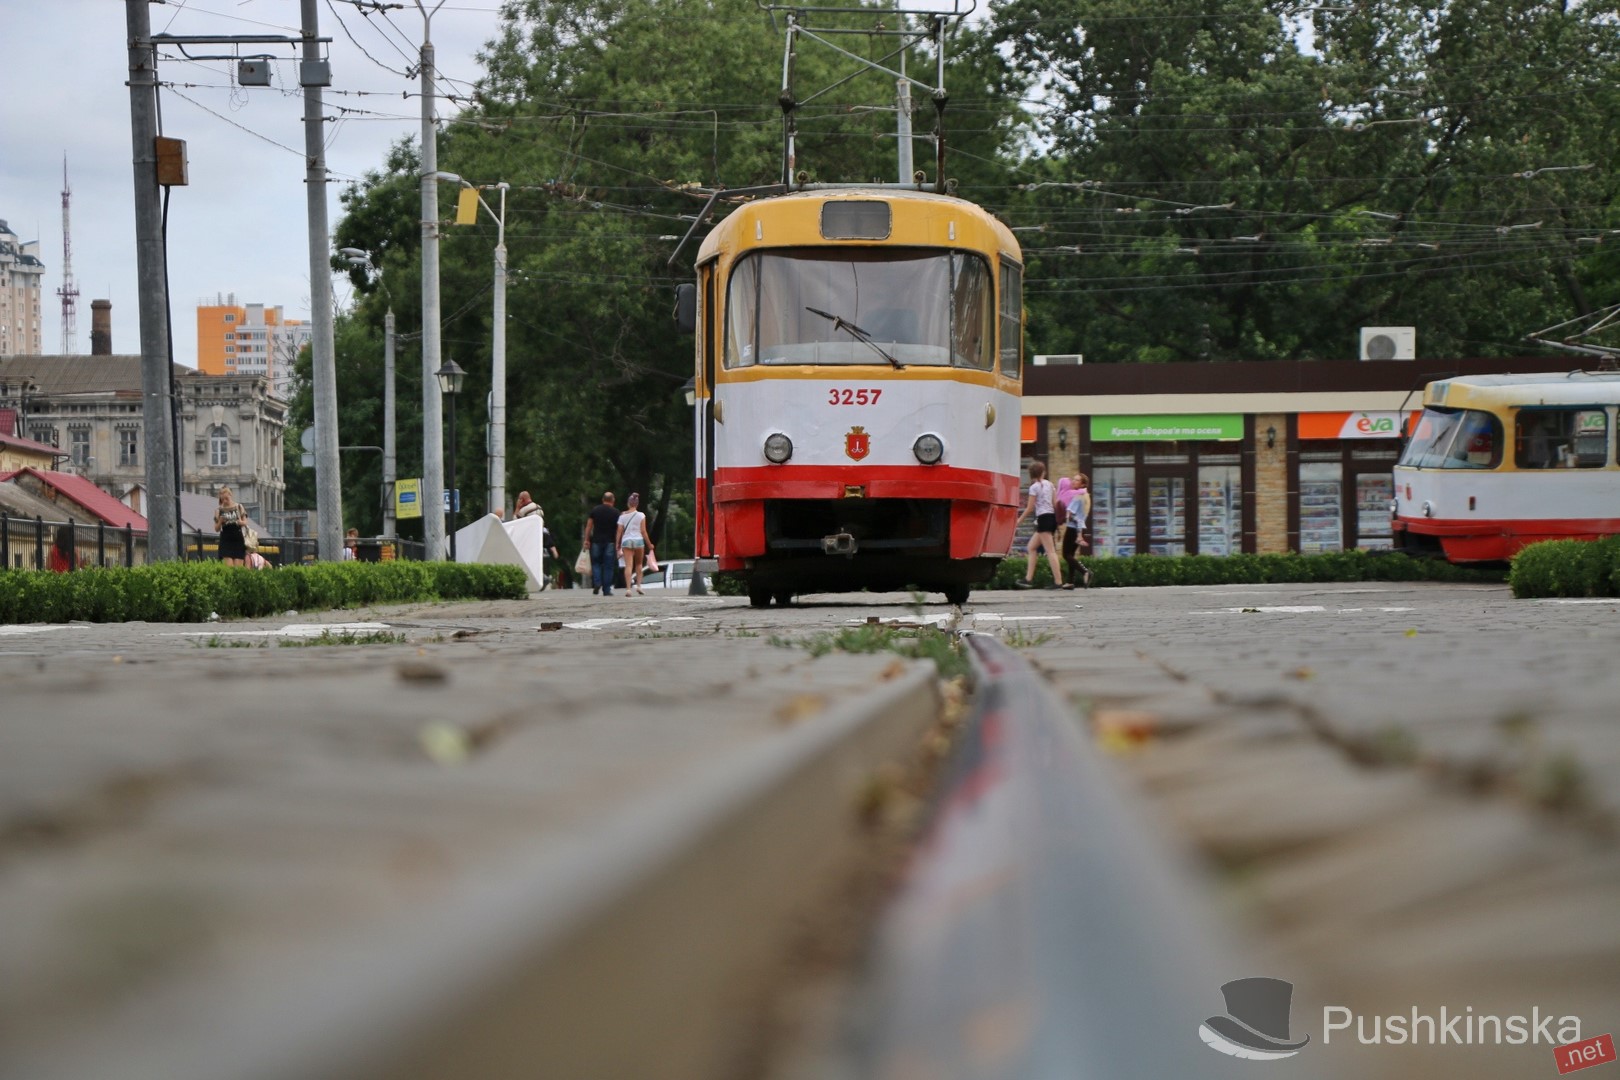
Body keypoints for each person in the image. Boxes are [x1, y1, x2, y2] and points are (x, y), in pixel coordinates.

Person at [1012, 461, 1063, 588]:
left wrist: (1019, 520)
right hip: (1050, 518)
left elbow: (1029, 508)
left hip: (1043, 519)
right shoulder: (1050, 485)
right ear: (1043, 472)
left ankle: (1058, 582)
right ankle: (1028, 579)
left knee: (1050, 551)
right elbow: (1055, 503)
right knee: (1031, 547)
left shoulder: (1034, 487)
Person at [616, 492, 653, 596]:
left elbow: (619, 531)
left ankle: (628, 588)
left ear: (628, 503)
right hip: (638, 541)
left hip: (626, 541)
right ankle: (639, 586)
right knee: (639, 564)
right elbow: (643, 531)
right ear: (637, 504)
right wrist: (649, 544)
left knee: (628, 565)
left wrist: (617, 545)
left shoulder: (622, 516)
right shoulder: (641, 515)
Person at [584, 491, 620, 595]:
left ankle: (597, 582)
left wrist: (586, 540)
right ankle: (607, 590)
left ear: (602, 500)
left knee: (596, 563)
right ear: (613, 500)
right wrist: (618, 543)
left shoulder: (595, 510)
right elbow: (619, 529)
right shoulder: (616, 512)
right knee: (608, 566)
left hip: (596, 541)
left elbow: (589, 526)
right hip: (610, 542)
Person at [1062, 473, 1093, 589]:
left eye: (1077, 480)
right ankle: (1070, 581)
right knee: (1071, 555)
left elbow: (1070, 514)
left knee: (1066, 555)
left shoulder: (1077, 496)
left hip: (1072, 528)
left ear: (1083, 484)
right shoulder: (1086, 496)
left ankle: (1085, 572)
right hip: (1081, 528)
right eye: (1073, 479)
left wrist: (1064, 515)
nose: (1073, 482)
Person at [215, 487, 248, 567]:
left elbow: (246, 522)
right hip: (226, 539)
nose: (225, 501)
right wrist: (220, 521)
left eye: (227, 498)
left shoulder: (239, 507)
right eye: (223, 499)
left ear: (231, 495)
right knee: (229, 567)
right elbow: (216, 528)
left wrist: (240, 522)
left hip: (238, 538)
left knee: (238, 568)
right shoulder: (219, 510)